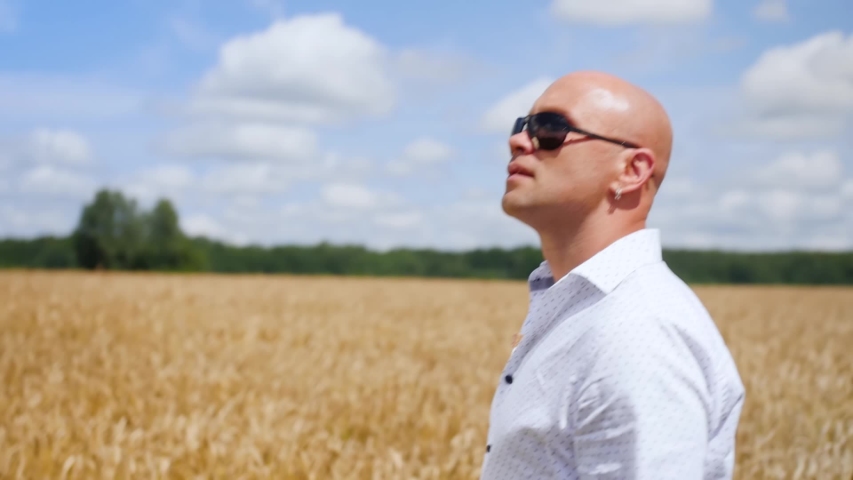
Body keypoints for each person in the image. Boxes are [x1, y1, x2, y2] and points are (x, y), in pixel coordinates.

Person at [479, 71, 745, 480]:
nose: (518, 140)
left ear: (632, 171)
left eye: (550, 128)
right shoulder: (590, 307)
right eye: (522, 126)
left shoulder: (639, 333)